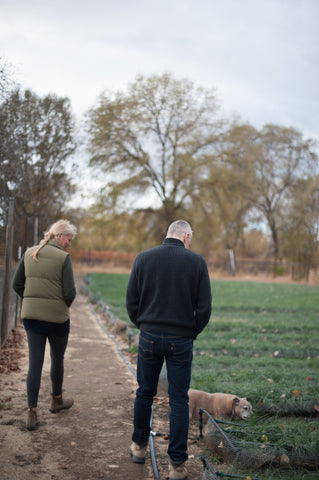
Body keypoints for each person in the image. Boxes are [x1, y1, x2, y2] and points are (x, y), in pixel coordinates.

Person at [126, 220, 212, 480]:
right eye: (191, 239)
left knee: (144, 393)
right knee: (178, 400)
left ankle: (139, 448)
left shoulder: (143, 258)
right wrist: (191, 332)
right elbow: (205, 308)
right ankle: (177, 466)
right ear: (186, 236)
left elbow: (131, 301)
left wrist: (144, 325)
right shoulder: (197, 262)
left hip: (149, 337)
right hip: (181, 340)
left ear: (168, 235)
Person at [12, 219, 77, 431]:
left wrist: (31, 300)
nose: (70, 244)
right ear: (59, 236)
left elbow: (16, 284)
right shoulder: (63, 258)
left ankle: (31, 413)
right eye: (69, 239)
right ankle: (56, 401)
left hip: (32, 318)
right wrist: (58, 305)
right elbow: (69, 293)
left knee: (35, 363)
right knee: (57, 360)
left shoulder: (31, 253)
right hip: (57, 319)